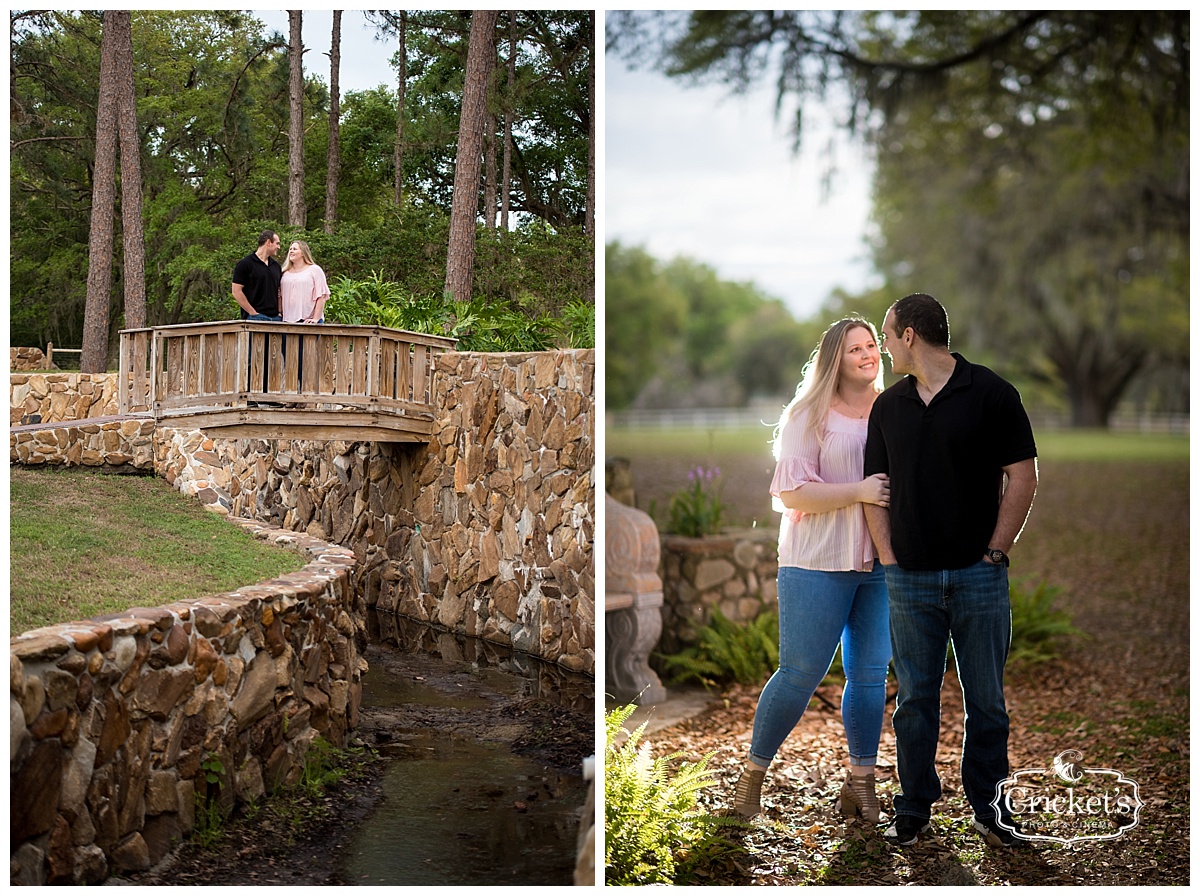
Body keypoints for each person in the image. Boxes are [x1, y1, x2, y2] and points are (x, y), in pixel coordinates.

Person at [862, 293, 1038, 849]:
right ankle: (914, 807)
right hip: (909, 579)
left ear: (910, 334)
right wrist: (889, 560)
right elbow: (875, 493)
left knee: (987, 699)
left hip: (978, 576)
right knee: (914, 702)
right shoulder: (888, 408)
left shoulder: (991, 394)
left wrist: (995, 552)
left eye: (888, 335)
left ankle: (990, 808)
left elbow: (1023, 476)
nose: (885, 347)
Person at [732, 316, 892, 825]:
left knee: (869, 678)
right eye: (855, 349)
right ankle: (751, 782)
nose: (868, 355)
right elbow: (792, 493)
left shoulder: (895, 410)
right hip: (816, 561)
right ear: (834, 360)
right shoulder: (809, 414)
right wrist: (859, 491)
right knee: (800, 674)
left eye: (872, 346)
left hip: (883, 563)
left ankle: (861, 785)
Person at [232, 230, 283, 321]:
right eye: (277, 243)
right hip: (254, 318)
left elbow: (279, 291)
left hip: (276, 319)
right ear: (268, 242)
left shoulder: (276, 266)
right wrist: (252, 313)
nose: (279, 247)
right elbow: (236, 291)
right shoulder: (245, 264)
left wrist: (279, 312)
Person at [280, 239, 329, 324]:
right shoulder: (284, 272)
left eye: (294, 249)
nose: (291, 251)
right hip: (286, 321)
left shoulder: (314, 270)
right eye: (290, 249)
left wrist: (315, 319)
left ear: (303, 253)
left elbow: (321, 295)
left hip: (308, 320)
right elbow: (279, 294)